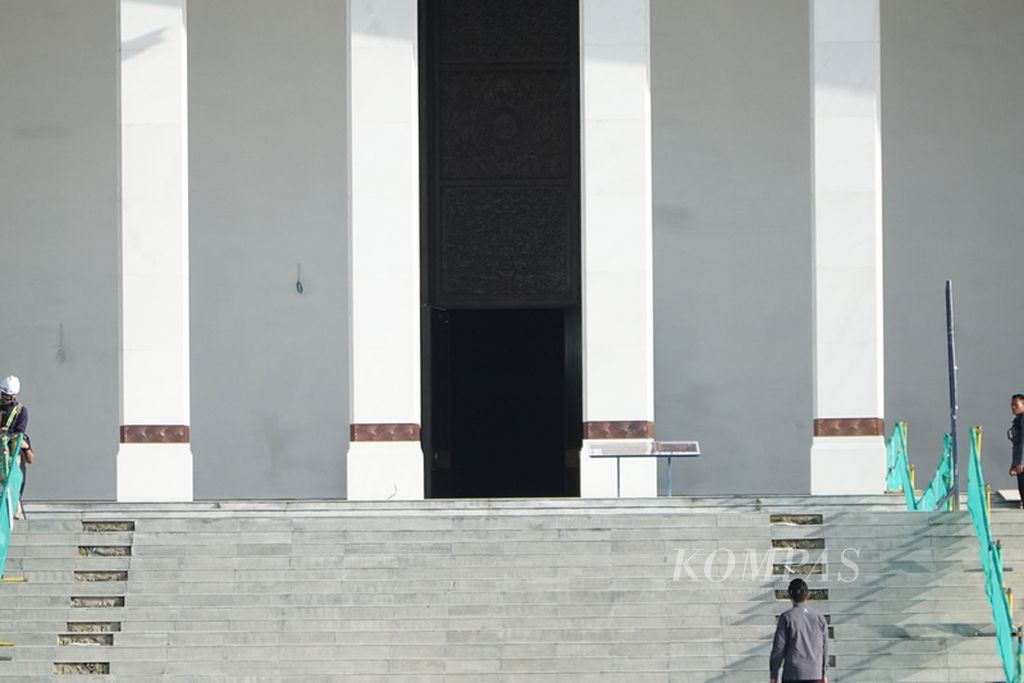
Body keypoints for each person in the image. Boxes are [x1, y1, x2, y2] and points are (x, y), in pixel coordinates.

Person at [770, 578, 828, 683]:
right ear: (808, 595)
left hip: (793, 674)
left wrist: (774, 674)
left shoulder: (786, 617)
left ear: (790, 596)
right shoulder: (819, 617)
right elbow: (824, 648)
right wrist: (823, 673)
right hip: (815, 673)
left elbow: (779, 648)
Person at [0, 375, 34, 519]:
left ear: (14, 395)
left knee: (13, 476)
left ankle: (15, 508)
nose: (4, 398)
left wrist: (8, 435)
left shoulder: (21, 410)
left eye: (7, 396)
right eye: (3, 395)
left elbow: (20, 432)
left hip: (12, 451)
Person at [1008, 394, 1024, 508]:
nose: (1013, 407)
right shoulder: (1018, 421)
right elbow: (1016, 446)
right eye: (1012, 405)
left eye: (1016, 405)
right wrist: (1014, 464)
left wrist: (1021, 463)